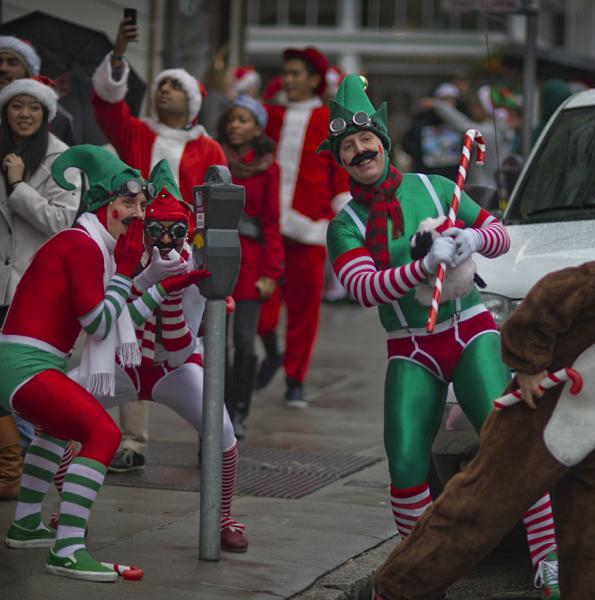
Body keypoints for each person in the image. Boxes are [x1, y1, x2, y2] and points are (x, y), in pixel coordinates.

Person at [373, 185, 595, 600]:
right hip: (542, 414)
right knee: (475, 513)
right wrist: (528, 364)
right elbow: (551, 295)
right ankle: (396, 589)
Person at [324, 75, 560, 597]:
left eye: (366, 140)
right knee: (406, 461)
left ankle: (547, 559)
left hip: (468, 329)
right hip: (409, 344)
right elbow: (363, 289)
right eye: (348, 145)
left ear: (383, 143)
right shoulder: (345, 224)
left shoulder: (433, 187)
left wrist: (472, 236)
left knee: (509, 442)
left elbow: (500, 236)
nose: (360, 150)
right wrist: (420, 265)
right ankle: (422, 572)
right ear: (341, 159)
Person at [0, 144, 199, 581]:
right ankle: (67, 547)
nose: (139, 214)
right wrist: (130, 275)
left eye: (142, 204)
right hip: (22, 366)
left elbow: (116, 314)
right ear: (103, 205)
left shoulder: (95, 246)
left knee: (59, 429)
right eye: (128, 203)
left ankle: (27, 524)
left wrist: (156, 286)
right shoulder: (82, 247)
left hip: (22, 364)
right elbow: (101, 324)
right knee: (102, 433)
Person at [60, 184, 249, 552]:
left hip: (175, 368)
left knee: (224, 433)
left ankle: (224, 517)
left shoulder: (198, 262)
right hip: (121, 365)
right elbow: (109, 313)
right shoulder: (122, 257)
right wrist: (145, 280)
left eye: (177, 231)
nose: (165, 240)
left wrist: (195, 288)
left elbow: (182, 342)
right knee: (51, 414)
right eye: (156, 230)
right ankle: (69, 511)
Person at [92, 16, 227, 471]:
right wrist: (117, 56)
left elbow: (222, 207)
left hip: (193, 258)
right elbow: (109, 109)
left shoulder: (210, 149)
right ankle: (133, 439)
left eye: (174, 86)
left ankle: (212, 431)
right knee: (130, 339)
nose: (163, 90)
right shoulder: (139, 133)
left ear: (190, 100)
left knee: (194, 347)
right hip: (136, 251)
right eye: (161, 85)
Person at [0, 76, 81, 502]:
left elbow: (60, 222)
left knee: (39, 382)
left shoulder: (64, 159)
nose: (25, 114)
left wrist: (18, 187)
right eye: (17, 106)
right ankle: (7, 473)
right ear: (4, 112)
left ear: (47, 113)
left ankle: (58, 469)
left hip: (39, 287)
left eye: (34, 107)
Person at [255, 46, 350, 406]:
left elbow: (339, 172)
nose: (288, 80)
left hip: (309, 229)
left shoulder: (329, 119)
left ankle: (296, 378)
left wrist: (342, 214)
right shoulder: (269, 115)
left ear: (313, 80)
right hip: (267, 229)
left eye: (296, 74)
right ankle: (272, 350)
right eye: (286, 73)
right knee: (261, 310)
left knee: (304, 311)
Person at [0, 36, 77, 267]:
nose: (3, 68)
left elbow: (71, 191)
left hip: (39, 246)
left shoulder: (59, 122)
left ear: (28, 70)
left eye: (12, 62)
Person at [216, 95, 282, 437]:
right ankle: (219, 410)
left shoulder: (269, 166)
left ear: (257, 128)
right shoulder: (214, 158)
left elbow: (272, 221)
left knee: (244, 340)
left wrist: (272, 272)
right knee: (217, 341)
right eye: (231, 119)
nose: (234, 126)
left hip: (253, 263)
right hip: (217, 256)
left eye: (242, 120)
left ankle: (240, 412)